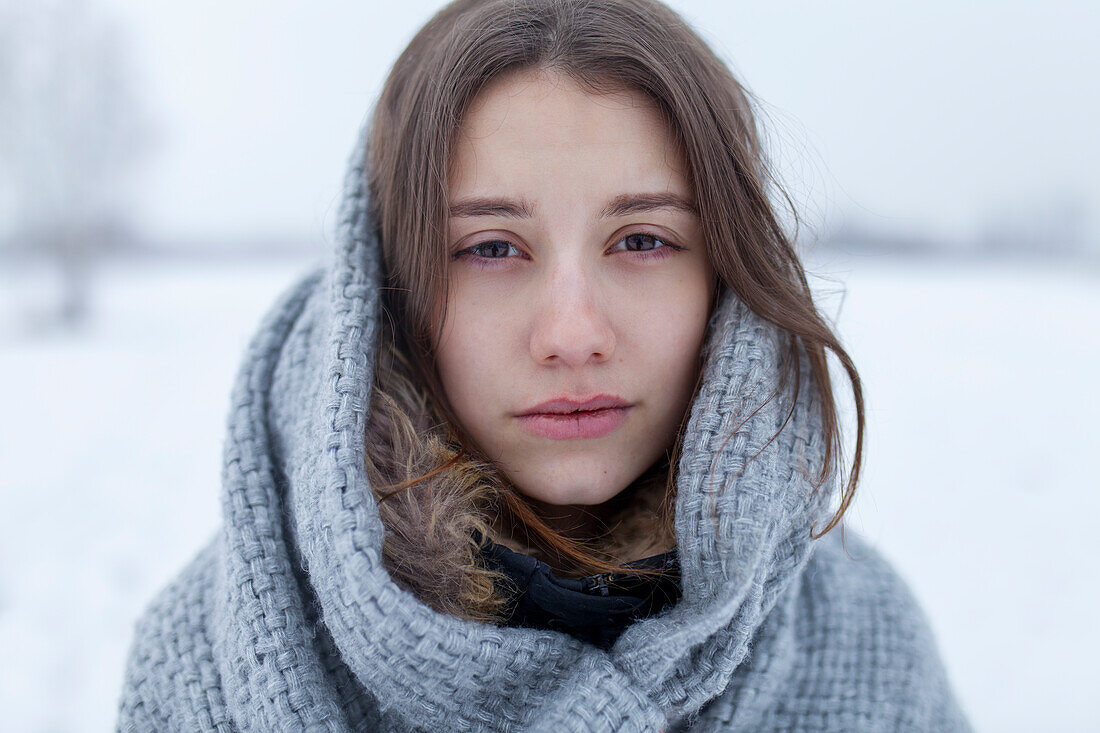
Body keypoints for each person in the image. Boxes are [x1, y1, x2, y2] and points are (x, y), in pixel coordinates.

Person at [117, 0, 971, 730]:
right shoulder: (206, 665)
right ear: (385, 290)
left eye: (642, 239)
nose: (572, 332)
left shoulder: (865, 642)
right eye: (490, 247)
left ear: (727, 279)